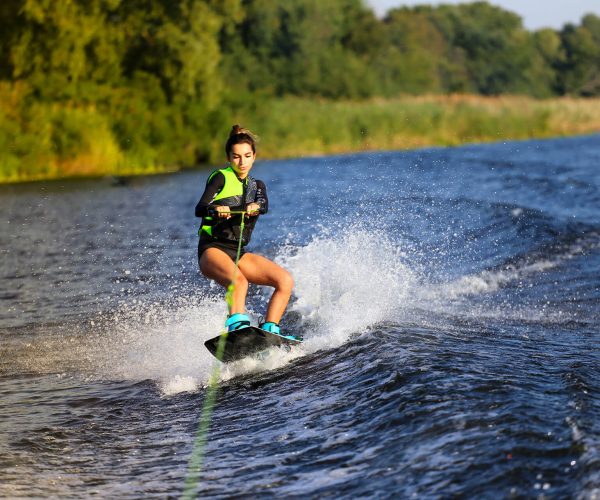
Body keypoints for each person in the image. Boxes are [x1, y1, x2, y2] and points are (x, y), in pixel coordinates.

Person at [195, 125, 294, 336]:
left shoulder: (257, 186)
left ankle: (270, 331)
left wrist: (255, 206)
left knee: (284, 281)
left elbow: (263, 206)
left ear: (254, 156)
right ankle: (236, 327)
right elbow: (200, 208)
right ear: (228, 157)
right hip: (212, 249)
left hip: (238, 252)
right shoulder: (220, 177)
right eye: (236, 157)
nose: (242, 162)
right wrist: (215, 209)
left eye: (247, 156)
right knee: (239, 281)